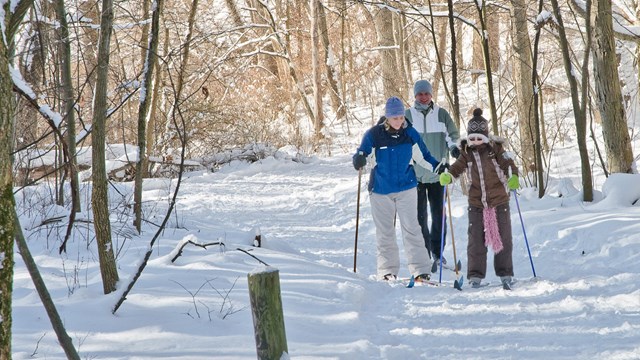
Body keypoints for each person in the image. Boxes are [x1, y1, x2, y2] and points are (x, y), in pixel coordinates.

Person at [353, 96, 441, 281]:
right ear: (387, 117)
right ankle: (387, 271)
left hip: (406, 188)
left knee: (412, 228)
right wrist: (359, 158)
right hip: (380, 189)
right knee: (385, 231)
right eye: (395, 118)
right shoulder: (374, 134)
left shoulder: (410, 134)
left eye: (401, 117)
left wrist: (439, 167)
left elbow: (423, 156)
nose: (399, 121)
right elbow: (363, 153)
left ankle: (420, 270)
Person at [439, 108, 520, 289]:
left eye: (478, 138)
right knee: (475, 240)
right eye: (472, 138)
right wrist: (448, 176)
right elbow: (457, 167)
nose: (475, 141)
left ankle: (505, 273)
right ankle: (475, 276)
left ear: (485, 136)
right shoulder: (467, 152)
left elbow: (508, 164)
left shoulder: (496, 150)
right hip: (476, 203)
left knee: (504, 238)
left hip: (499, 201)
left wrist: (513, 177)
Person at [406, 80, 460, 271]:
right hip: (416, 175)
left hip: (439, 174)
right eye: (420, 94)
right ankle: (425, 253)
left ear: (431, 95)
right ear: (415, 96)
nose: (423, 97)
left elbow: (453, 135)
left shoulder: (441, 114)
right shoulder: (408, 115)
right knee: (420, 217)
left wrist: (454, 148)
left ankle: (438, 252)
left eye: (426, 94)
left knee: (439, 216)